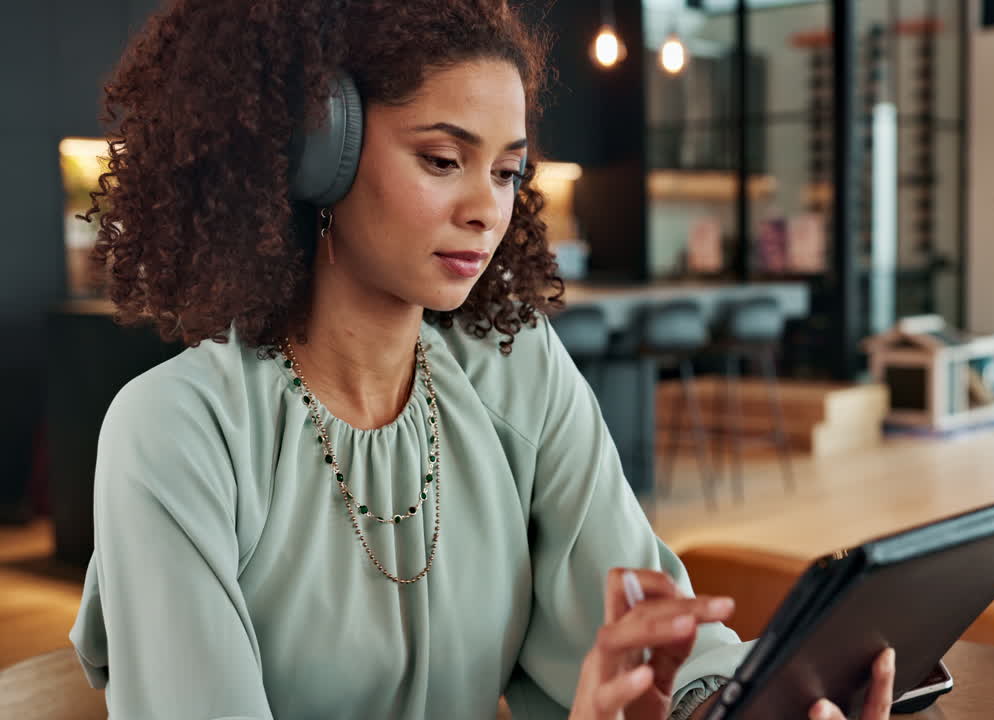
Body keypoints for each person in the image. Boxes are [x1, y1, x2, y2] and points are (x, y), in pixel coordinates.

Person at [68, 1, 895, 718]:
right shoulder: (177, 432)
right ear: (319, 157)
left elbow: (648, 612)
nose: (485, 210)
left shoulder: (511, 364)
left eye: (506, 171)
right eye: (442, 160)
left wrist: (729, 704)